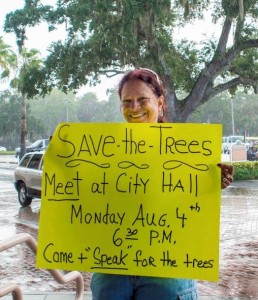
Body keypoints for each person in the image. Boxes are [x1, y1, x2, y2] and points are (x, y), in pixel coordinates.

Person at [90, 68, 233, 299]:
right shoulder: (101, 151)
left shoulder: (188, 151)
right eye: (127, 101)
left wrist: (214, 181)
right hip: (112, 272)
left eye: (142, 99)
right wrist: (62, 159)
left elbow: (193, 209)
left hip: (167, 271)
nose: (134, 107)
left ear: (160, 102)